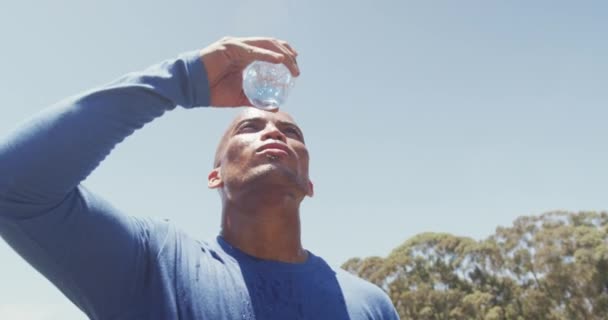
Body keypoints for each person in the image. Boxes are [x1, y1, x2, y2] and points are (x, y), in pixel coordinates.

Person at [0, 36, 399, 319]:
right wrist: (183, 80)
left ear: (309, 185)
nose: (274, 132)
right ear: (216, 177)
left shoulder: (369, 303)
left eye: (292, 133)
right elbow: (12, 181)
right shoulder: (156, 265)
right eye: (248, 129)